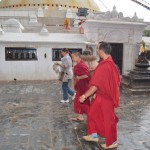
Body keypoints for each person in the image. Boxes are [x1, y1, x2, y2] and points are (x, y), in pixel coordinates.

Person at [79, 42, 120, 149]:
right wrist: (97, 93)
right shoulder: (108, 63)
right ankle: (93, 135)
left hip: (107, 97)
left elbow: (95, 86)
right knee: (92, 113)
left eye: (97, 48)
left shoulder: (106, 65)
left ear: (101, 50)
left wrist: (84, 96)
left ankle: (112, 142)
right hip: (101, 95)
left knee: (108, 120)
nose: (96, 50)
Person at [71, 52, 91, 121]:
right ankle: (80, 116)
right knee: (79, 101)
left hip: (83, 86)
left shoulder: (81, 65)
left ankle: (91, 115)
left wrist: (79, 78)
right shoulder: (79, 64)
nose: (72, 59)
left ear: (78, 57)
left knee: (82, 101)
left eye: (73, 57)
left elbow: (86, 75)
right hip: (81, 85)